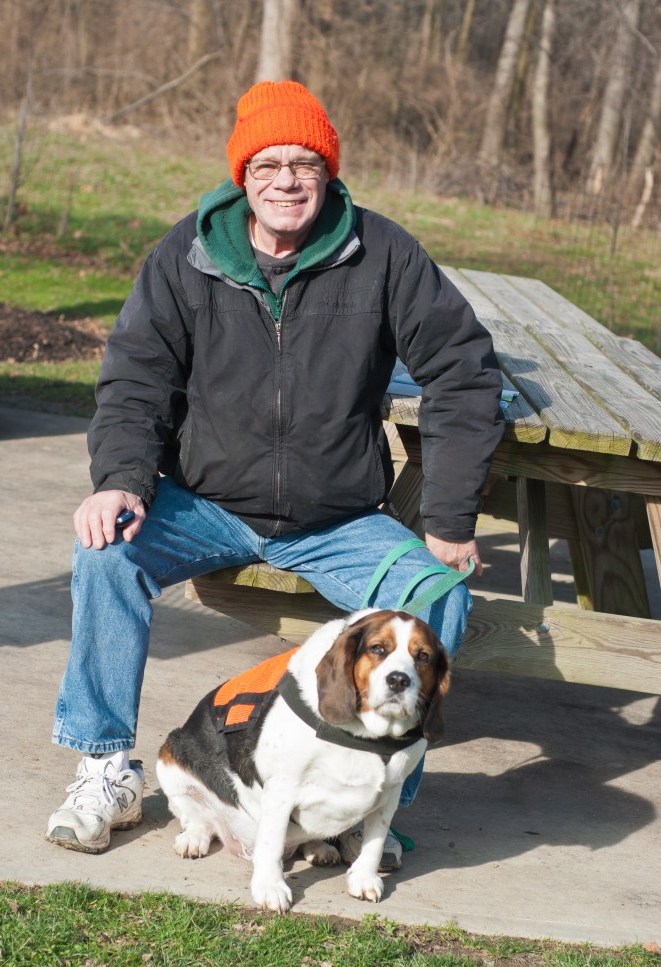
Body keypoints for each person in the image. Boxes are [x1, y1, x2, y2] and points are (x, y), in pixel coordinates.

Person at [46, 80, 504, 867]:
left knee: (439, 595)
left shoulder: (382, 251)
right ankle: (104, 769)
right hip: (204, 501)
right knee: (106, 549)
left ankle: (369, 805)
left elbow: (465, 373)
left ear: (328, 173)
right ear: (241, 174)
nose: (286, 180)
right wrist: (121, 478)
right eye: (268, 163)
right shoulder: (184, 254)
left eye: (304, 164)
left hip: (337, 519)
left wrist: (451, 517)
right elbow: (134, 379)